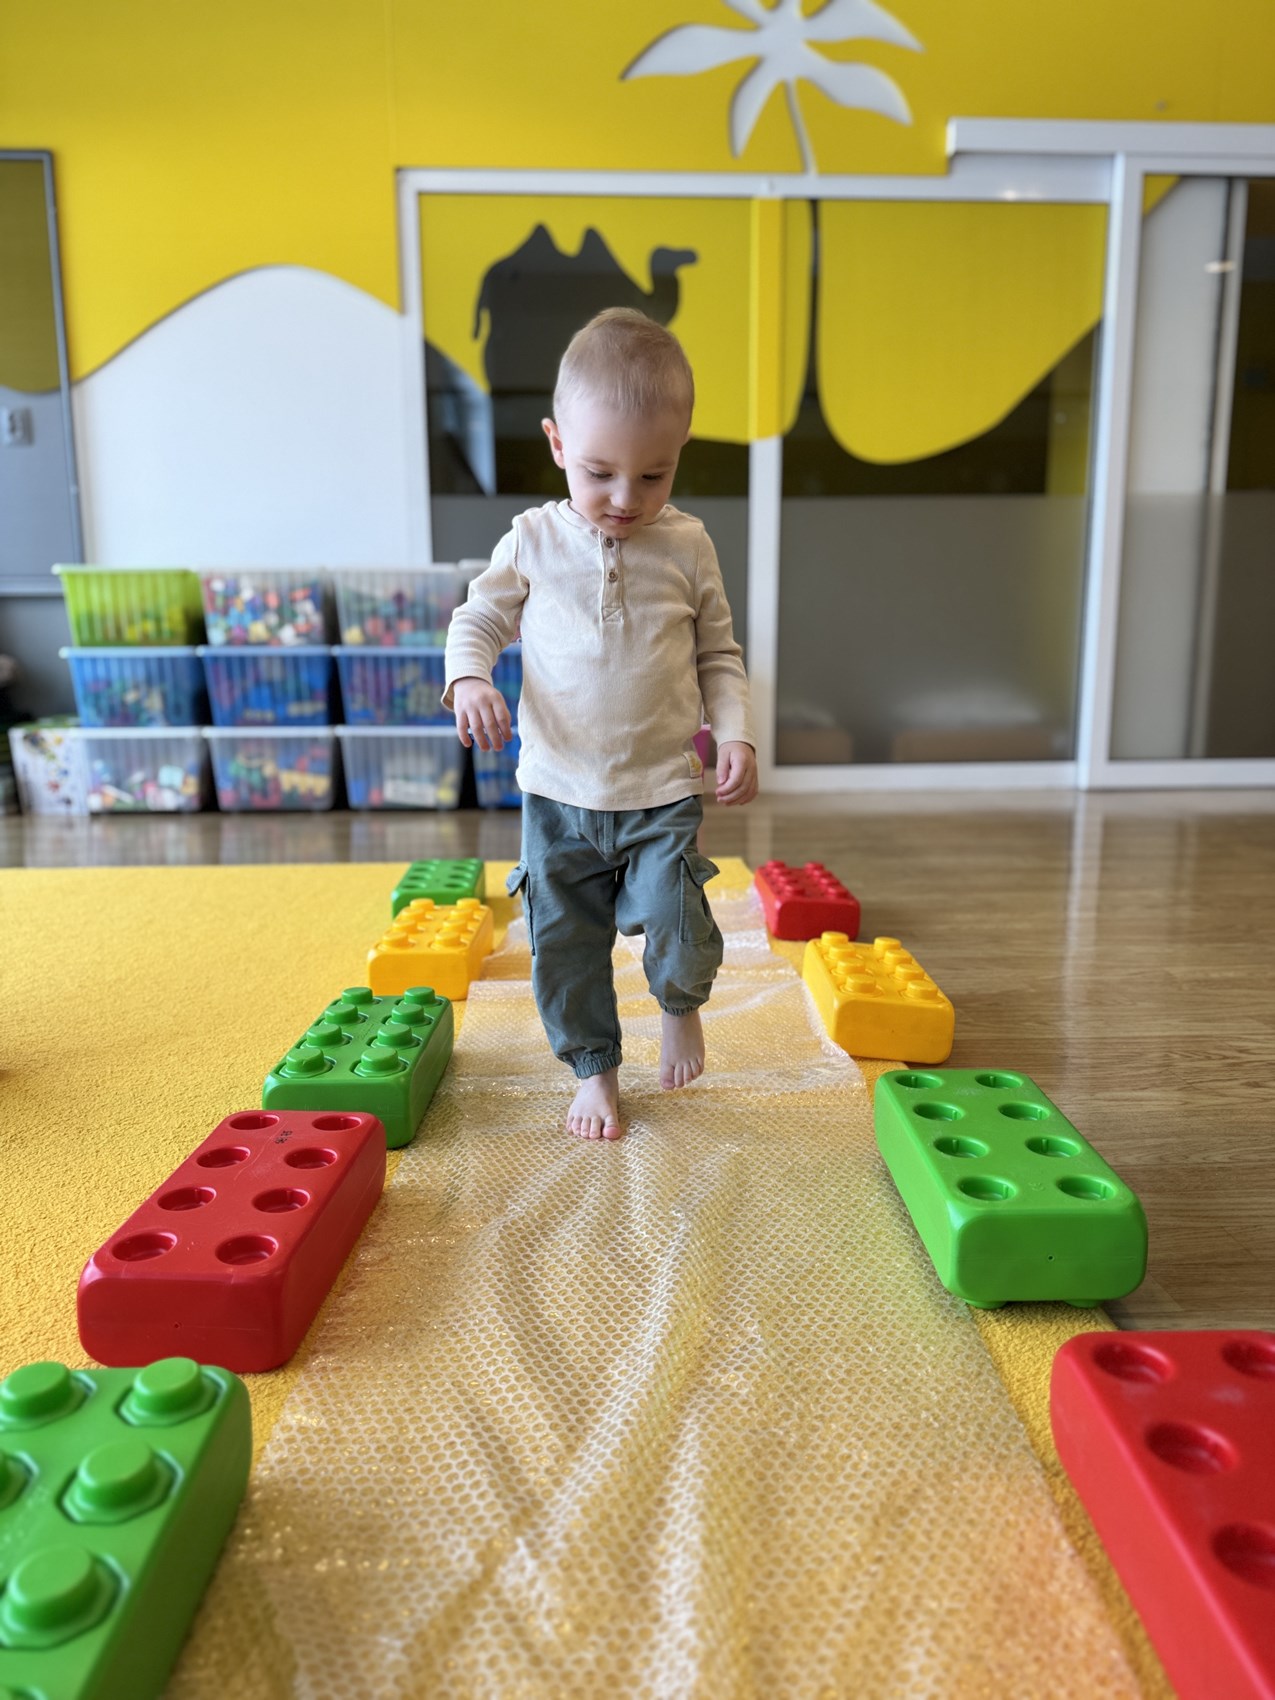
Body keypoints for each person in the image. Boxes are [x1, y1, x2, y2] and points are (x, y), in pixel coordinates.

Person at [444, 307, 756, 1142]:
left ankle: (679, 1007)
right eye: (600, 473)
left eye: (653, 475)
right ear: (556, 444)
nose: (625, 498)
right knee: (564, 946)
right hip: (558, 794)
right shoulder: (532, 540)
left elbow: (718, 656)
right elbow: (479, 617)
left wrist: (735, 734)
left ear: (679, 451)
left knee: (680, 922)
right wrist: (468, 676)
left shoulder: (687, 546)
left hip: (660, 788)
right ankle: (595, 1070)